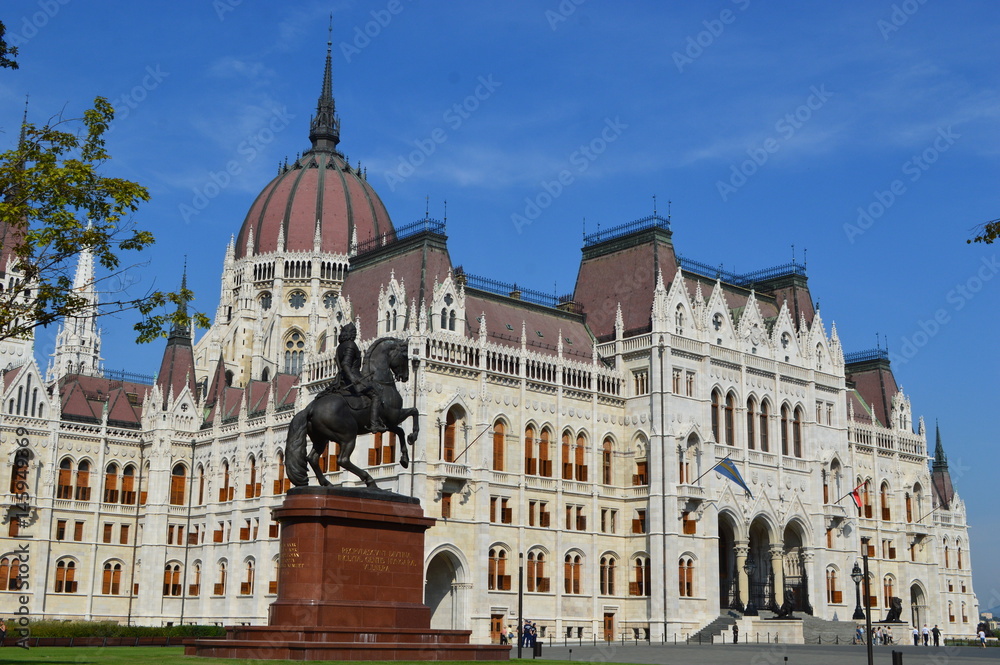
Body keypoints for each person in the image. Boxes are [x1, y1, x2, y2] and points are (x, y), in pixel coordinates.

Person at [327, 322, 385, 432]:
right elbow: (345, 364)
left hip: (340, 379)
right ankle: (374, 424)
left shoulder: (340, 347)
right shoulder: (350, 345)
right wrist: (353, 378)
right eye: (354, 332)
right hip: (352, 377)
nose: (355, 334)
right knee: (376, 394)